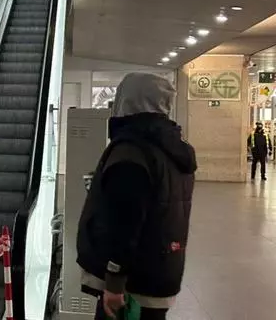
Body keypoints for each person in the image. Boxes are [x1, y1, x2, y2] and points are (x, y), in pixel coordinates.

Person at [77, 73, 197, 320]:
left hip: (131, 285)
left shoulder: (131, 151)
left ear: (128, 100)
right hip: (159, 268)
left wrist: (114, 281)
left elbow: (124, 223)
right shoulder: (173, 148)